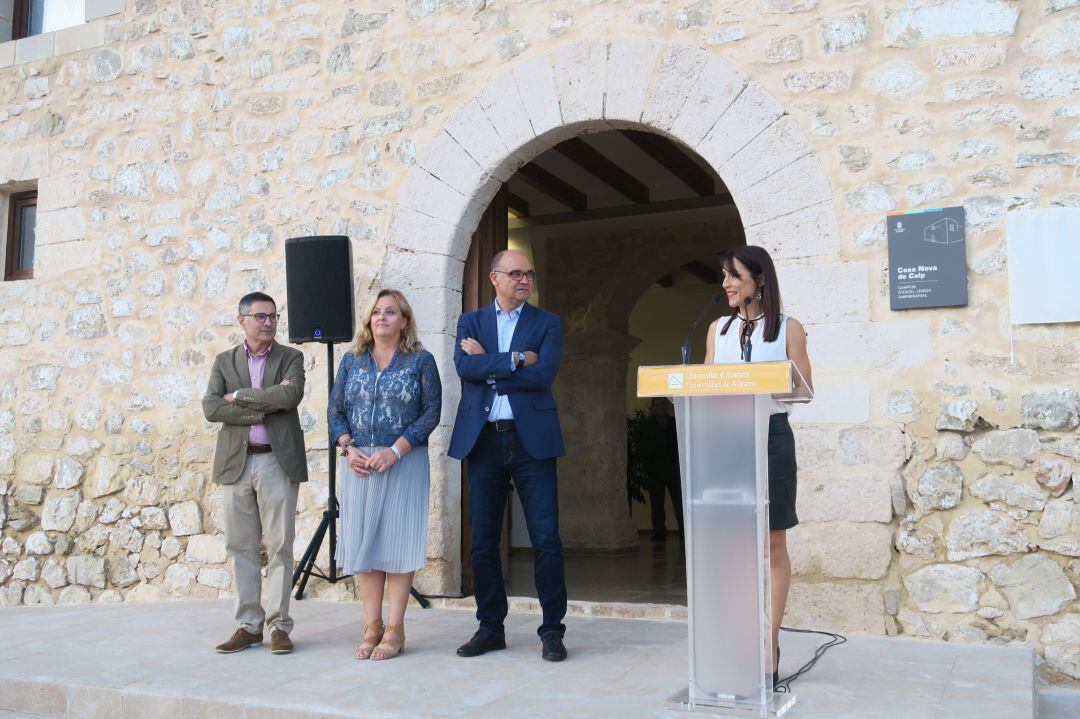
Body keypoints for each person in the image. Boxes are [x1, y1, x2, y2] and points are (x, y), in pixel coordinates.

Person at [449, 249, 569, 662]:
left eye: (529, 274)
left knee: (546, 539)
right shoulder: (471, 321)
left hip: (531, 440)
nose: (524, 280)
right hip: (483, 440)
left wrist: (490, 363)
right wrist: (516, 359)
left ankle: (552, 631)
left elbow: (544, 375)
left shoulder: (546, 322)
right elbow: (465, 368)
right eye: (516, 273)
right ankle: (490, 627)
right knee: (483, 542)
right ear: (494, 278)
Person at [704, 246, 813, 689]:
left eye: (735, 276)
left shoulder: (789, 328)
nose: (727, 284)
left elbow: (804, 389)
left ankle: (769, 642)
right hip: (726, 441)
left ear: (760, 280)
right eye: (725, 276)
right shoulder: (717, 329)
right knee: (731, 545)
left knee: (771, 543)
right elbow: (704, 386)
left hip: (770, 437)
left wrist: (764, 382)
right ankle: (735, 637)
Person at [328, 288, 441, 661]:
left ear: (404, 320)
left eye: (390, 312)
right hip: (360, 465)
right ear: (369, 320)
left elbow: (430, 414)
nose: (382, 318)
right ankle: (371, 625)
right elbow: (335, 411)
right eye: (376, 312)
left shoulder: (420, 361)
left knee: (396, 546)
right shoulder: (352, 360)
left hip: (403, 462)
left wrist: (395, 451)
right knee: (365, 545)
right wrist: (348, 448)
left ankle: (395, 628)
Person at [202, 292, 307, 655]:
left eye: (273, 316)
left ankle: (279, 625)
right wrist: (261, 407)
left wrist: (241, 397)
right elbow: (211, 407)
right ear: (241, 320)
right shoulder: (223, 361)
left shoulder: (291, 356)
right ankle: (248, 625)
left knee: (279, 546)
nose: (269, 322)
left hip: (277, 461)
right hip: (237, 462)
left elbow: (289, 397)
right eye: (261, 316)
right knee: (240, 546)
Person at [641, 397, 683, 542]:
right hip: (655, 470)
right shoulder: (647, 425)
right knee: (657, 503)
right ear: (652, 407)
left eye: (664, 404)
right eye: (659, 405)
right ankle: (659, 532)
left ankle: (684, 532)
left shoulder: (674, 423)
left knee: (678, 501)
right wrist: (648, 465)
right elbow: (643, 447)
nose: (662, 407)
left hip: (673, 468)